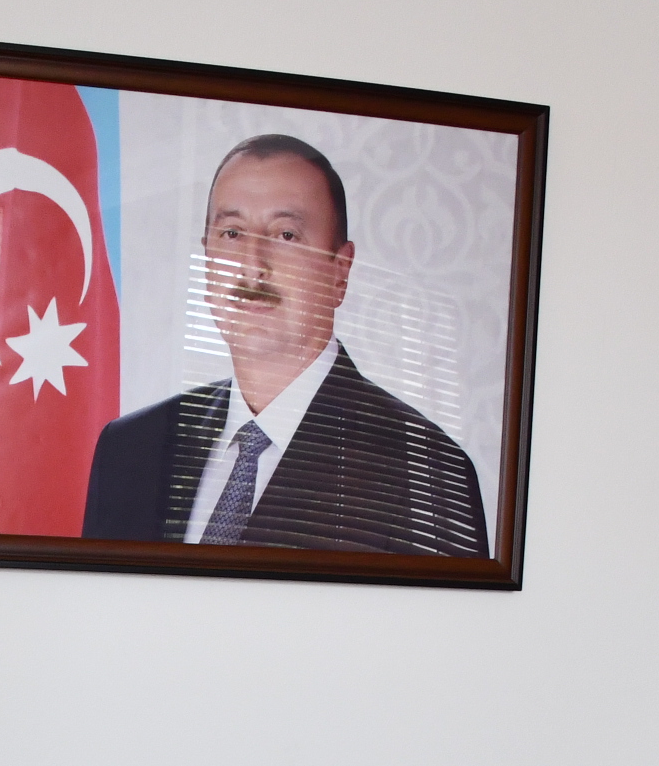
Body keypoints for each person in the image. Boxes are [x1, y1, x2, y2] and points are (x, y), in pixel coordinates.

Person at [76, 136, 489, 558]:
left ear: (339, 272)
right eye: (232, 233)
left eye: (286, 235)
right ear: (207, 257)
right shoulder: (131, 449)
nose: (252, 265)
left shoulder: (426, 472)